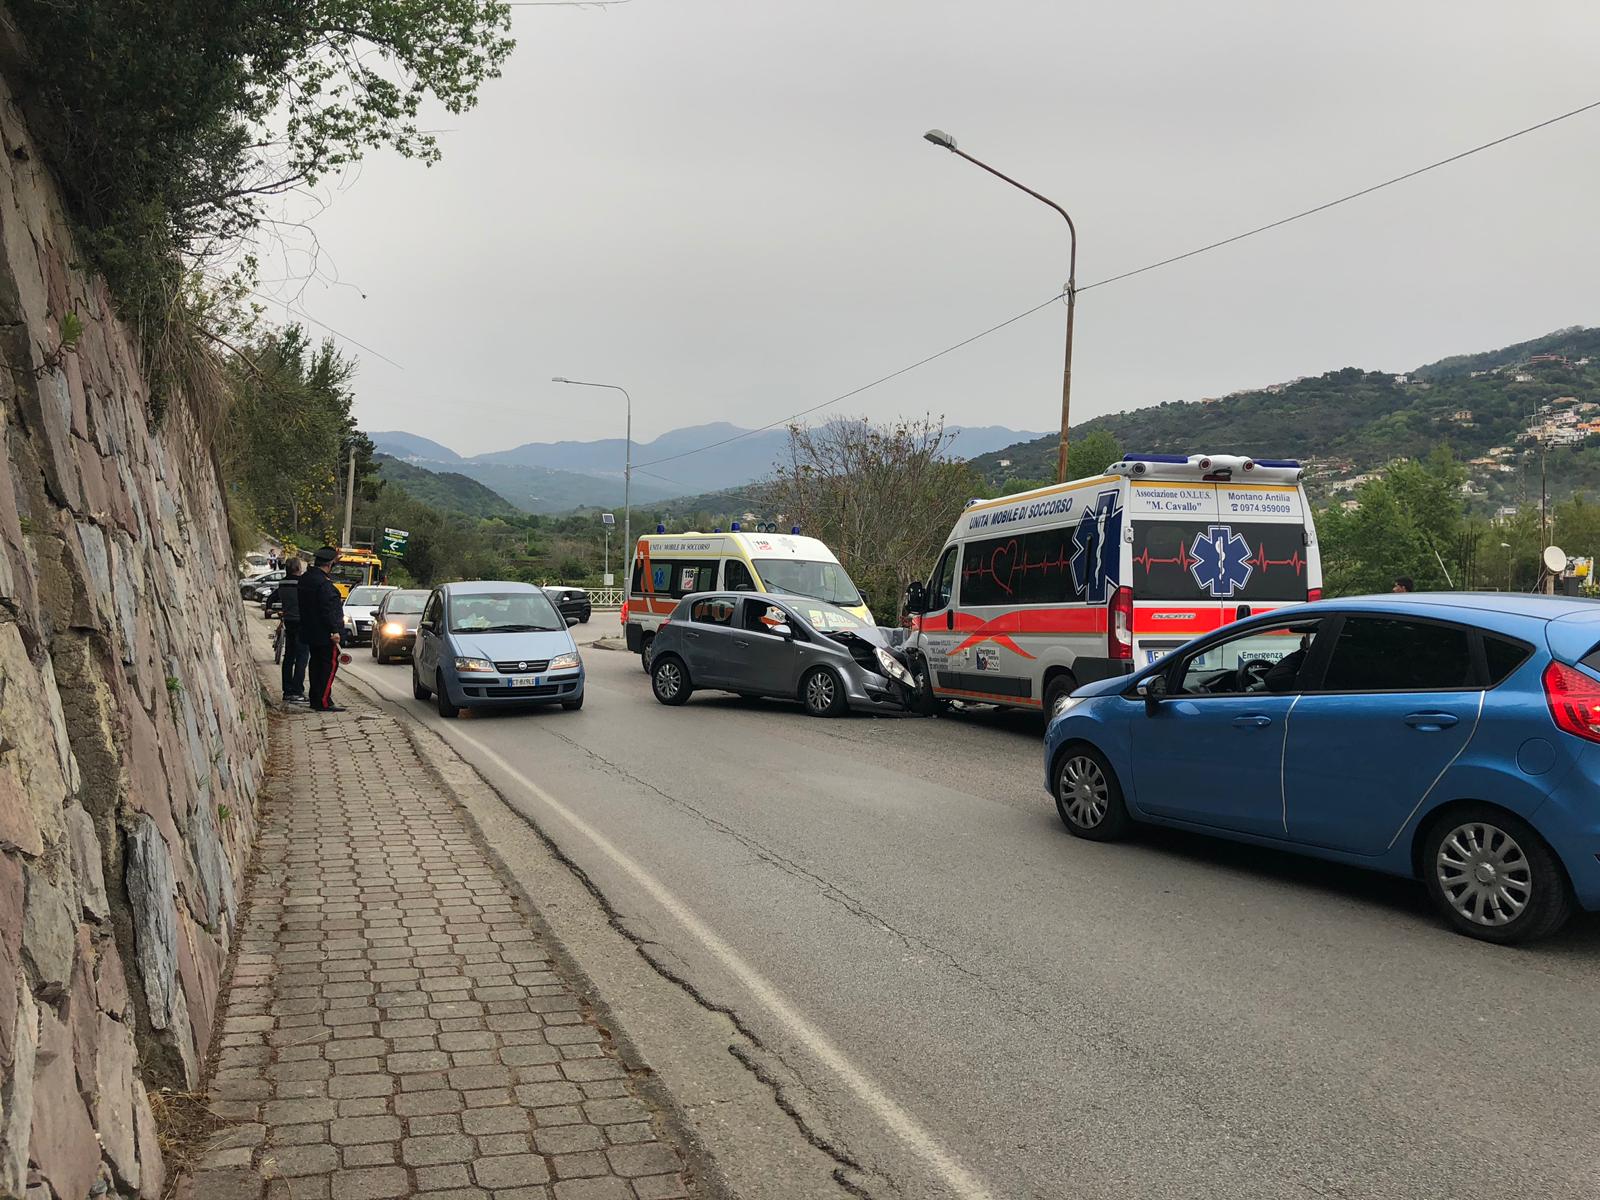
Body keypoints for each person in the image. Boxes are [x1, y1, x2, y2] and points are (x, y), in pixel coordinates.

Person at [299, 546, 346, 712]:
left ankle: (315, 698)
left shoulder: (306, 579)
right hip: (326, 634)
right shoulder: (323, 584)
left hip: (310, 631)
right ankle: (324, 701)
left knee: (315, 665)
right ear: (329, 564)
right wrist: (334, 631)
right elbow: (327, 610)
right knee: (328, 667)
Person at [276, 558, 309, 703]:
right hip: (302, 622)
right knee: (302, 657)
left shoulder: (282, 583)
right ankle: (297, 691)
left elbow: (274, 597)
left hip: (289, 621)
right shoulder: (301, 583)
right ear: (298, 568)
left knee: (289, 657)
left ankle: (287, 690)